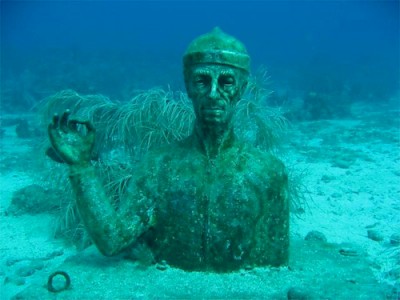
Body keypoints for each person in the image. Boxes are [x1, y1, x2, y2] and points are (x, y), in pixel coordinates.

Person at [48, 27, 290, 272]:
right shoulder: (158, 166)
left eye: (226, 81)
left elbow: (274, 261)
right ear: (188, 86)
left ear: (241, 88)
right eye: (202, 81)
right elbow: (112, 241)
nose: (213, 93)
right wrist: (81, 167)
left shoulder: (269, 172)